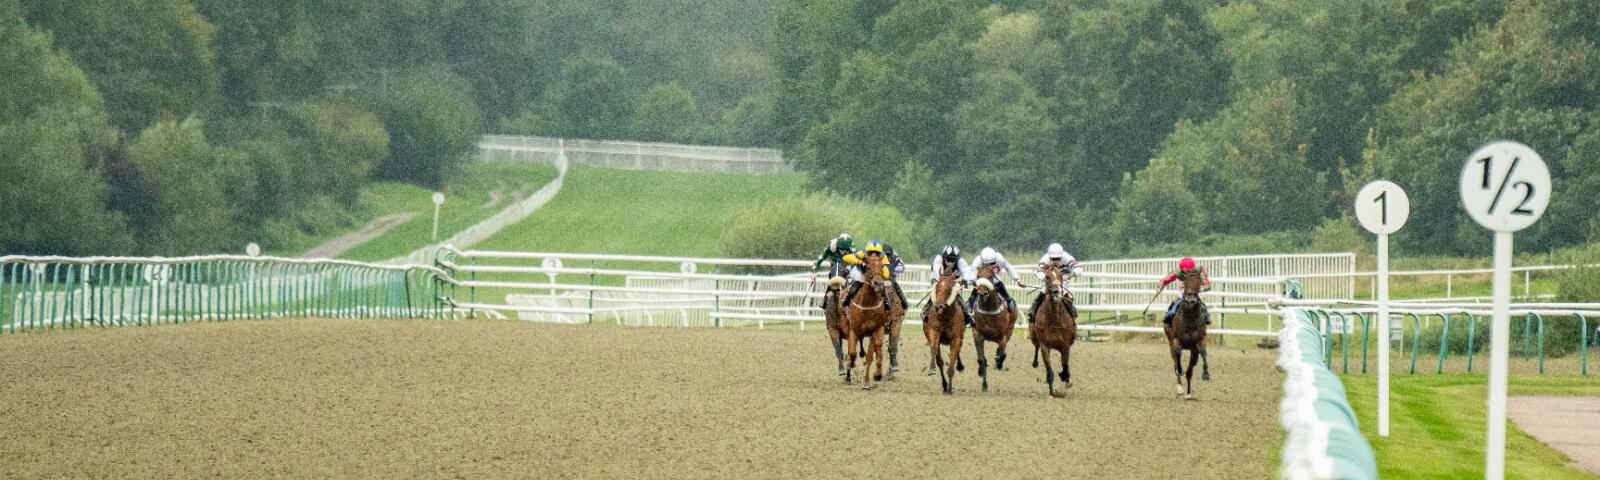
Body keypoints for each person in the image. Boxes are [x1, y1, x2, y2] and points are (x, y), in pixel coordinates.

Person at [840, 240, 900, 313]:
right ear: (867, 251)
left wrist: (881, 271)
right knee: (858, 281)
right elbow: (846, 257)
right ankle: (847, 298)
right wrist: (859, 262)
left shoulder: (883, 256)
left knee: (881, 284)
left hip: (875, 273)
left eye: (876, 253)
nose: (873, 254)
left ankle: (886, 301)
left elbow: (886, 272)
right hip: (862, 271)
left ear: (880, 252)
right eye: (871, 252)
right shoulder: (863, 252)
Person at [1033, 243, 1083, 319]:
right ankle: (1033, 311)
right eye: (1053, 259)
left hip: (1063, 280)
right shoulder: (1045, 259)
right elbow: (1038, 271)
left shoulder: (1067, 257)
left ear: (1061, 256)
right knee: (1042, 292)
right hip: (1050, 280)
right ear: (1050, 257)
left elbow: (1079, 269)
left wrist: (1069, 276)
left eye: (1058, 258)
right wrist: (1045, 278)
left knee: (1066, 294)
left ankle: (1072, 313)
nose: (1056, 260)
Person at [929, 245, 975, 326]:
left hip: (953, 283)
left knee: (959, 299)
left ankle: (967, 318)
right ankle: (925, 313)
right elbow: (936, 272)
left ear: (956, 260)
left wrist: (964, 280)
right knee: (933, 297)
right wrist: (938, 282)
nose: (950, 263)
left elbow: (967, 273)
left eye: (953, 260)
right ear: (944, 258)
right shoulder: (938, 259)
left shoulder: (960, 261)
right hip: (940, 281)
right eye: (948, 260)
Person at [968, 247, 1022, 314]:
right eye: (987, 264)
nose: (990, 266)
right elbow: (973, 273)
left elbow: (1009, 268)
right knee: (971, 299)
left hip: (996, 282)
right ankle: (969, 308)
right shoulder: (977, 261)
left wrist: (1018, 280)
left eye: (992, 263)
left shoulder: (1000, 259)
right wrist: (973, 280)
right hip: (982, 282)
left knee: (1008, 299)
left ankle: (1009, 304)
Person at [1159, 257, 1211, 325]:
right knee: (1179, 299)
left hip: (1196, 288)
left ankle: (1206, 315)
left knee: (1199, 301)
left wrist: (1200, 289)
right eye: (1183, 270)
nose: (1184, 271)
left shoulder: (1199, 269)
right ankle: (1169, 313)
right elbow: (1167, 279)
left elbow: (1208, 285)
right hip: (1185, 288)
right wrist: (1160, 285)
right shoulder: (1179, 271)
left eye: (1186, 270)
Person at [810, 233, 854, 309]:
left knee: (851, 280)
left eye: (845, 250)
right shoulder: (831, 246)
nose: (843, 251)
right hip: (834, 265)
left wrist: (847, 270)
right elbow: (819, 259)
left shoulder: (852, 249)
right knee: (834, 280)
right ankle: (826, 300)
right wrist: (814, 272)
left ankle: (852, 301)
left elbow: (854, 262)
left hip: (846, 265)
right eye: (841, 249)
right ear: (837, 245)